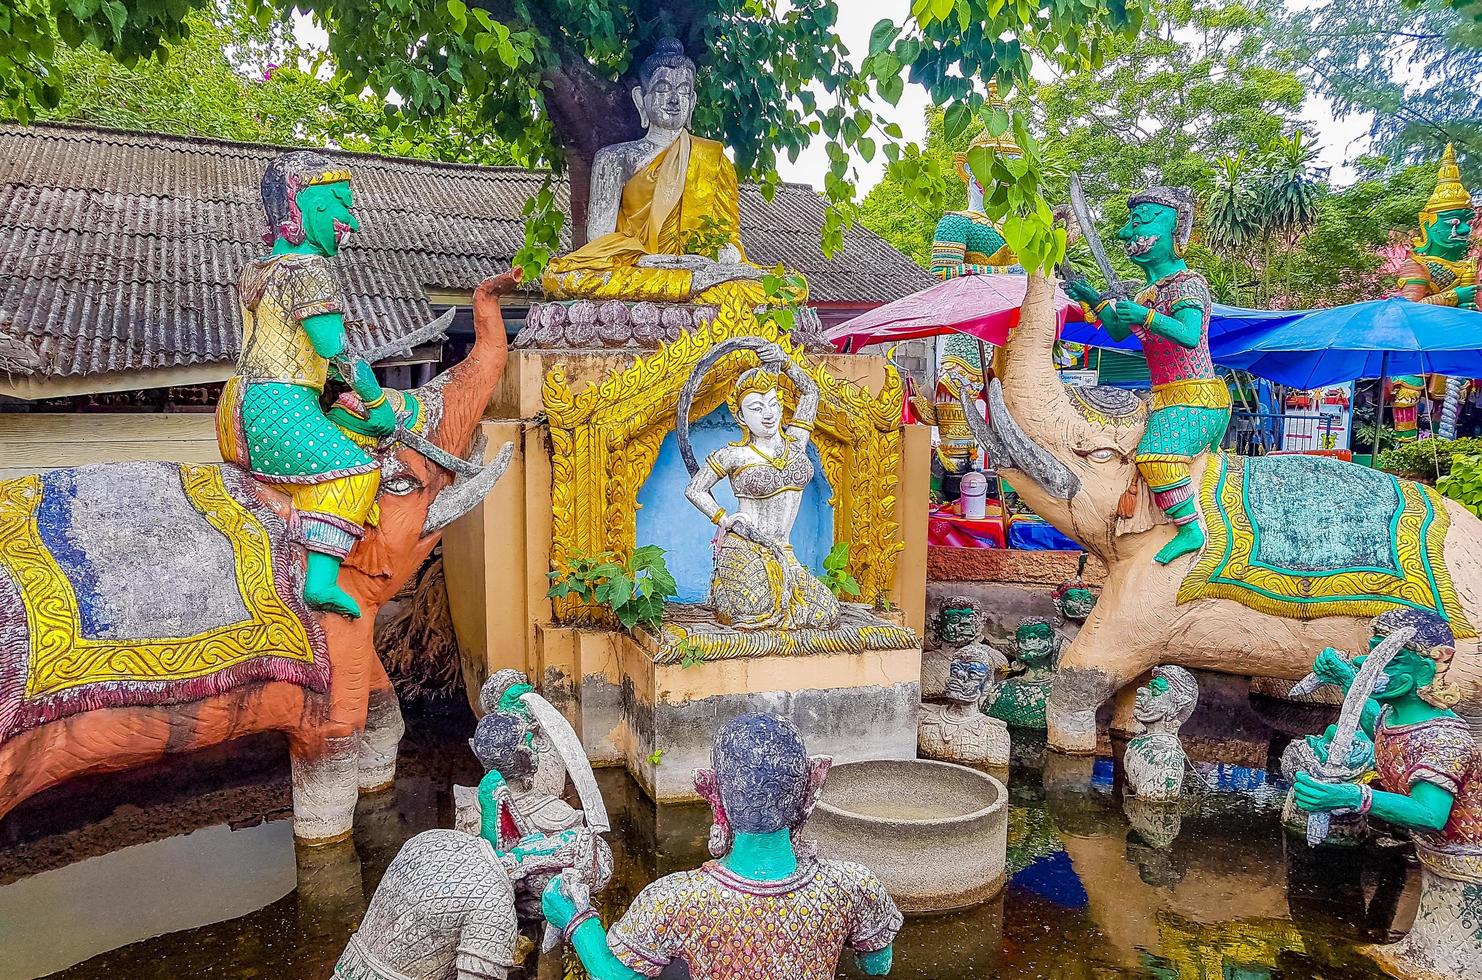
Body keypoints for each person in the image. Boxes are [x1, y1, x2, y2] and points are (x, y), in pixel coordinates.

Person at [541, 714, 901, 980]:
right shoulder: (851, 885)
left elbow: (616, 975)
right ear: (809, 788)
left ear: (713, 794)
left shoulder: (675, 901)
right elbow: (877, 965)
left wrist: (576, 919)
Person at [217, 151, 399, 616]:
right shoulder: (310, 270)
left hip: (237, 403)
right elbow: (334, 349)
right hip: (278, 406)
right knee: (359, 471)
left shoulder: (257, 269)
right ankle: (320, 581)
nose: (350, 224)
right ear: (311, 207)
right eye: (342, 205)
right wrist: (376, 402)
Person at [1065, 186, 1228, 563]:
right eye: (1129, 223)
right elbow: (1119, 331)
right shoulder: (1148, 291)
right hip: (1166, 397)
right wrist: (1093, 298)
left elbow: (1189, 335)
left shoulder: (1189, 285)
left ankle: (1190, 529)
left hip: (1196, 398)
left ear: (1177, 233)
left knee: (1155, 458)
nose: (1126, 233)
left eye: (1139, 223)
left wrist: (1147, 317)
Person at [683, 343, 840, 629]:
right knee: (756, 612)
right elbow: (695, 489)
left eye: (773, 405)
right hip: (747, 548)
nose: (767, 414)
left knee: (825, 612)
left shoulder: (796, 442)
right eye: (756, 408)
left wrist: (786, 362)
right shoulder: (733, 455)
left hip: (785, 553)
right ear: (741, 417)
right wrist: (725, 519)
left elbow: (811, 393)